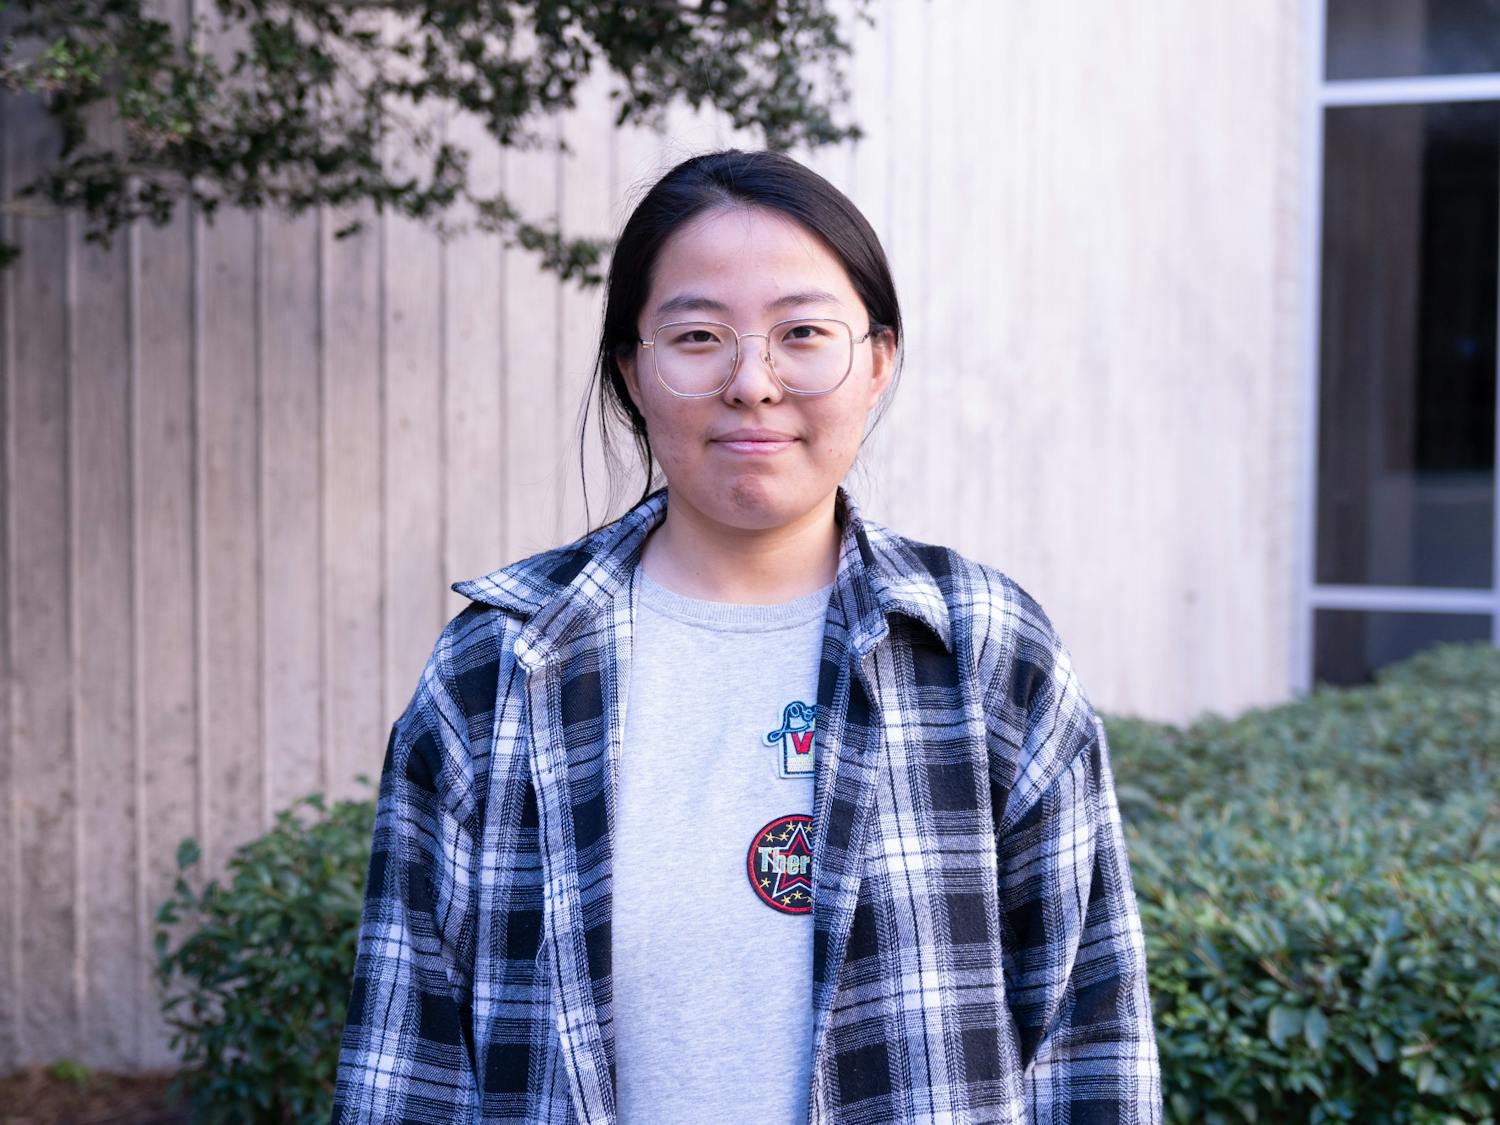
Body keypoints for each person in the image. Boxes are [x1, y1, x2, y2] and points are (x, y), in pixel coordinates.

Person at [331, 148, 1163, 1124]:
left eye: (803, 333)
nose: (753, 383)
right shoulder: (497, 668)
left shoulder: (981, 652)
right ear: (632, 371)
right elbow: (408, 1058)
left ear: (878, 363)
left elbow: (1090, 1033)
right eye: (697, 337)